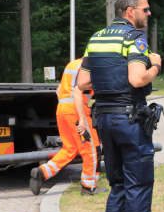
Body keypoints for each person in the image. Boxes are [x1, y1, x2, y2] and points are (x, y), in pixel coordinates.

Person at [75, 0, 162, 212]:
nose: (148, 14)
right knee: (138, 184)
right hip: (130, 122)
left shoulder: (97, 38)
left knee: (119, 185)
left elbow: (83, 82)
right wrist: (156, 65)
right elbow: (137, 79)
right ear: (130, 12)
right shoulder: (134, 37)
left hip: (105, 121)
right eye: (145, 9)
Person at [29, 58, 106, 196]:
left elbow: (59, 91)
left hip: (62, 109)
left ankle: (42, 172)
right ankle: (89, 187)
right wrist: (81, 117)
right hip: (76, 110)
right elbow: (80, 90)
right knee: (92, 150)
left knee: (69, 149)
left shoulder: (73, 64)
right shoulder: (90, 65)